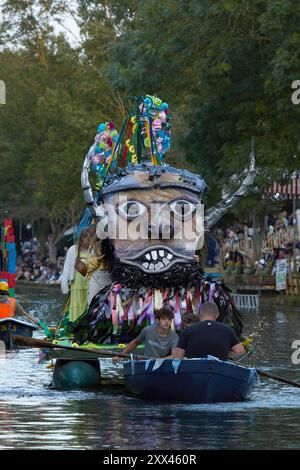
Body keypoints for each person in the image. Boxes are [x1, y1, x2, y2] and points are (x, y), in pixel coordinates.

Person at [172, 301, 245, 361]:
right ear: (217, 315)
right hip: (219, 370)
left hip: (195, 370)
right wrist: (225, 354)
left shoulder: (187, 330)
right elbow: (240, 351)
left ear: (200, 314)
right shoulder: (227, 330)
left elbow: (177, 356)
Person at [112, 306, 179, 363]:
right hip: (146, 363)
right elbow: (135, 342)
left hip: (164, 365)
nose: (167, 321)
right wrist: (121, 355)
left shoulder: (174, 336)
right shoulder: (147, 330)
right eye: (164, 319)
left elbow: (175, 355)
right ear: (158, 320)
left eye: (169, 319)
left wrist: (159, 361)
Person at [61, 228, 91, 322]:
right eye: (88, 240)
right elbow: (67, 268)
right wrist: (65, 283)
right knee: (77, 305)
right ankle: (75, 325)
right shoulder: (73, 249)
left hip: (89, 283)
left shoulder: (92, 249)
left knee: (88, 305)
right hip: (77, 284)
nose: (90, 242)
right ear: (82, 239)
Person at [85, 226, 113, 306]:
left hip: (98, 280)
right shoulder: (109, 244)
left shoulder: (94, 246)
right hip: (105, 278)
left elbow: (89, 266)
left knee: (94, 304)